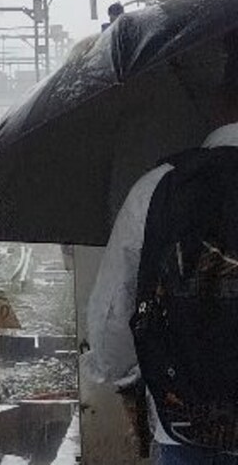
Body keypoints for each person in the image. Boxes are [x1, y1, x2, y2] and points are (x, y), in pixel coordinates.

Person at [87, 69, 238, 462]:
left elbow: (113, 314)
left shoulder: (159, 188)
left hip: (184, 426)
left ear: (218, 102)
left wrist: (121, 375)